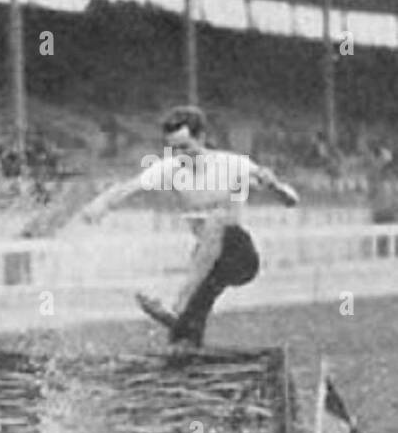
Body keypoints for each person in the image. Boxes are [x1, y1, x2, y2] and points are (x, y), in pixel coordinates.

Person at [73, 105, 300, 347]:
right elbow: (126, 188)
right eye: (173, 149)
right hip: (207, 261)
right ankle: (184, 345)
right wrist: (100, 205)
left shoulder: (234, 164)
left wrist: (275, 186)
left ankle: (178, 305)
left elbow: (291, 200)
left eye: (185, 148)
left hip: (239, 255)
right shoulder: (170, 169)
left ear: (201, 138)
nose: (180, 155)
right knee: (187, 328)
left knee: (217, 221)